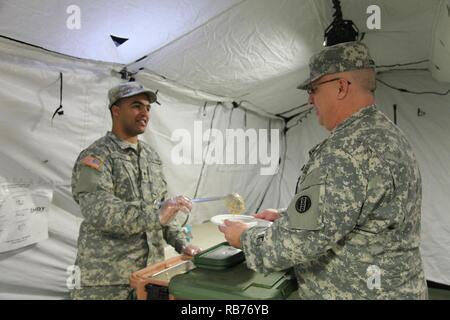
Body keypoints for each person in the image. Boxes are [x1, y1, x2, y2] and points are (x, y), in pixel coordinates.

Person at [219, 41, 428, 299]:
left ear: (340, 87)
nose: (309, 99)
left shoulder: (347, 150)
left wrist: (245, 238)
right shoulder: (387, 136)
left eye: (314, 89)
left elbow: (296, 243)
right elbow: (362, 214)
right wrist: (288, 215)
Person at [71, 82, 200, 300]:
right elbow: (98, 210)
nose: (144, 113)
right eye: (136, 106)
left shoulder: (150, 156)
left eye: (148, 108)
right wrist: (157, 215)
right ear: (116, 111)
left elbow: (162, 209)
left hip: (149, 277)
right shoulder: (97, 156)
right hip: (108, 281)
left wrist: (182, 243)